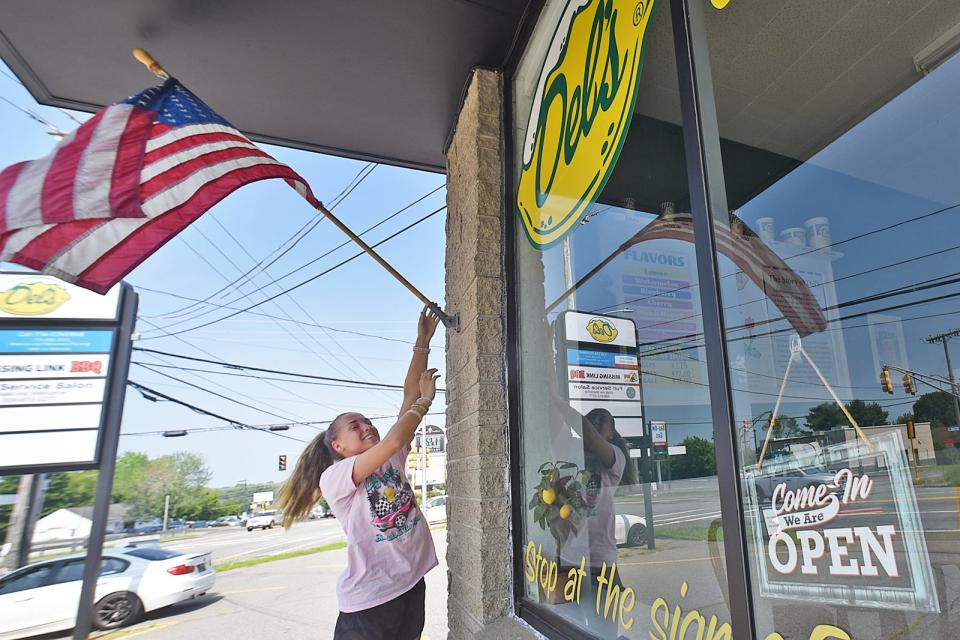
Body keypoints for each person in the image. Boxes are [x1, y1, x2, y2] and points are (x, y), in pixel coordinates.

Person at [276, 306, 441, 640]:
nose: (367, 425)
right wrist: (424, 403)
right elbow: (404, 423)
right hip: (369, 602)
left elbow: (408, 395)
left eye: (367, 420)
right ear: (338, 446)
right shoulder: (335, 477)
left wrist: (422, 341)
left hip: (409, 585)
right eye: (355, 425)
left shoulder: (390, 458)